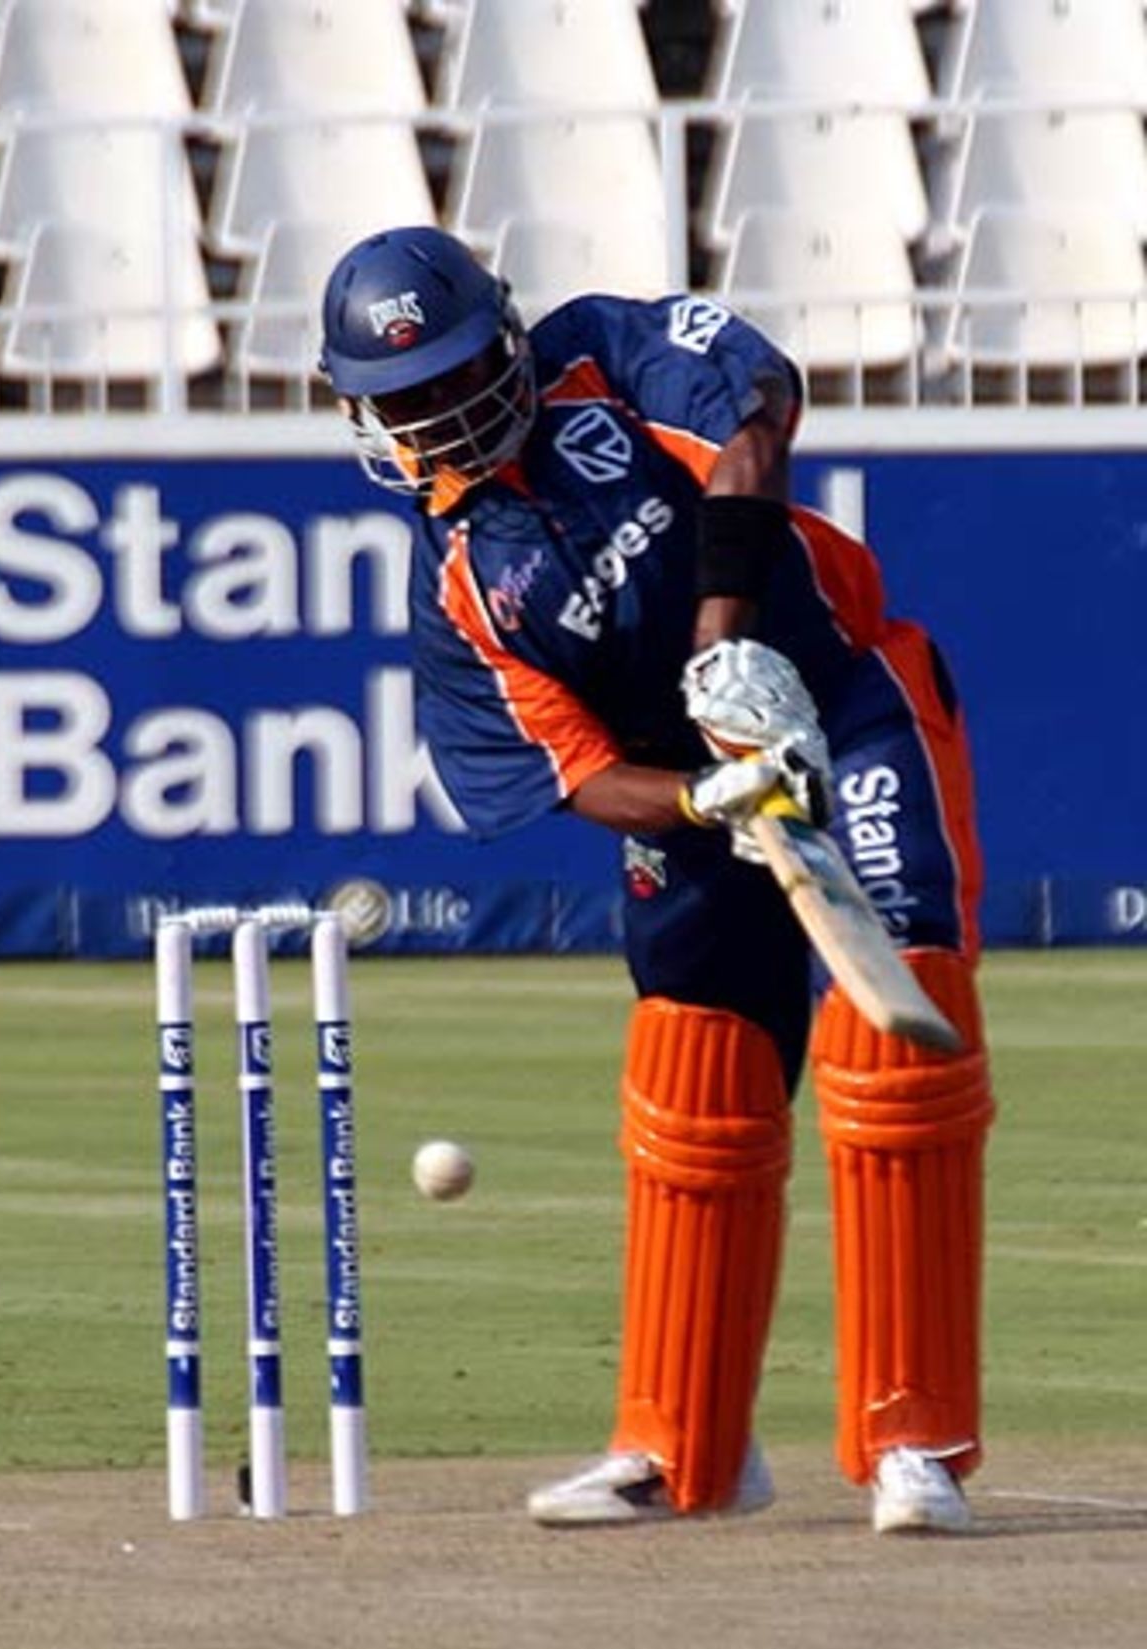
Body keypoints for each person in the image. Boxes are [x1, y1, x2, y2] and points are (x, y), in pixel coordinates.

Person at [318, 225, 995, 1535]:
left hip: (845, 693)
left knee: (897, 1032)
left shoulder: (604, 356)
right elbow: (570, 776)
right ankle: (684, 1448)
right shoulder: (460, 579)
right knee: (694, 1064)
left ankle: (914, 1437)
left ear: (508, 340)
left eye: (457, 375)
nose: (439, 414)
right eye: (404, 399)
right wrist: (707, 796)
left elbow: (757, 412)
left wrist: (724, 645)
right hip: (701, 794)